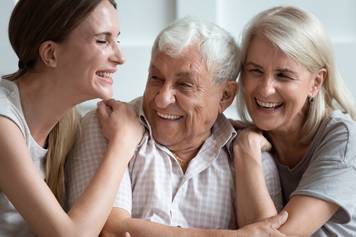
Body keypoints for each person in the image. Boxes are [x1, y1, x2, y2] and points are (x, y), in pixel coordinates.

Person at [66, 17, 288, 237]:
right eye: (156, 78)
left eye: (184, 85)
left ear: (225, 96)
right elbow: (108, 229)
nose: (162, 99)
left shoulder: (253, 158)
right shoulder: (107, 126)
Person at [0, 0, 143, 236]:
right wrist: (122, 144)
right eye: (102, 40)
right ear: (50, 53)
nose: (120, 57)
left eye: (116, 39)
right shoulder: (4, 122)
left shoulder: (69, 123)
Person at [233, 5, 356, 236]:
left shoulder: (345, 141)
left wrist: (245, 149)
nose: (266, 89)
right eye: (255, 71)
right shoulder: (243, 133)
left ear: (316, 83)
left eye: (283, 75)